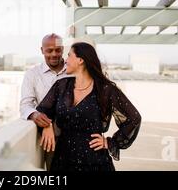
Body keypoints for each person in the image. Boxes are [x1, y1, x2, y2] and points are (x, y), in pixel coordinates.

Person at [35, 42, 141, 171]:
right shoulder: (61, 85)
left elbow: (134, 118)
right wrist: (47, 125)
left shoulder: (106, 90)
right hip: (63, 159)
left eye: (69, 56)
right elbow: (42, 111)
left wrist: (110, 142)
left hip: (94, 161)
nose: (65, 60)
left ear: (80, 60)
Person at [20, 33, 72, 169]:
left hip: (74, 135)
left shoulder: (73, 71)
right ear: (42, 50)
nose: (54, 54)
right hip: (49, 138)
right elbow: (25, 105)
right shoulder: (32, 74)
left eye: (58, 50)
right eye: (49, 50)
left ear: (63, 49)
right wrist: (35, 115)